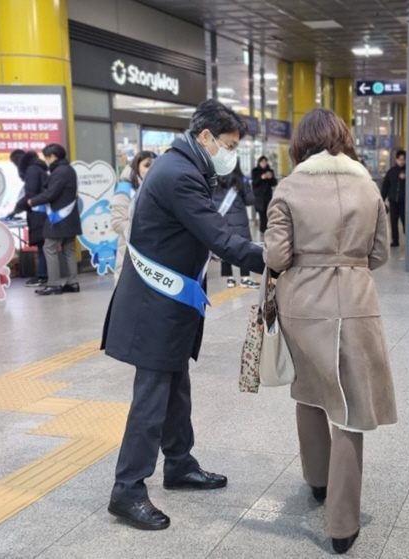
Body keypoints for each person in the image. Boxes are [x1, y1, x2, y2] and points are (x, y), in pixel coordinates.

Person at [101, 99, 264, 531]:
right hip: (154, 307)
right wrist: (274, 257)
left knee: (175, 388)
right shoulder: (179, 175)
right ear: (206, 136)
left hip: (168, 304)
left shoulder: (186, 166)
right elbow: (218, 237)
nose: (230, 154)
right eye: (228, 144)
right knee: (151, 399)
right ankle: (127, 489)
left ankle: (179, 464)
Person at [264, 108, 396, 554]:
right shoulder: (366, 185)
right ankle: (342, 527)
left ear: (300, 142)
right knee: (349, 410)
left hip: (302, 304)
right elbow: (379, 254)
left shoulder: (288, 187)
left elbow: (276, 256)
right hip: (356, 302)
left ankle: (316, 482)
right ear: (342, 138)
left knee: (309, 391)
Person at [27, 144, 82, 295]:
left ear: (52, 156)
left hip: (58, 219)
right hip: (70, 218)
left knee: (49, 248)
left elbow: (51, 193)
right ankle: (72, 283)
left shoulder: (59, 172)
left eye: (47, 157)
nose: (46, 161)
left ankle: (54, 284)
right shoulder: (69, 170)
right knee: (69, 249)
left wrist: (33, 201)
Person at [110, 150, 156, 284]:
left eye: (154, 166)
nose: (150, 170)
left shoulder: (154, 187)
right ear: (136, 167)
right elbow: (117, 222)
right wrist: (145, 230)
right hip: (130, 254)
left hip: (152, 254)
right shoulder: (125, 189)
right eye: (147, 165)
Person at [213, 159, 260, 288]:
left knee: (226, 247)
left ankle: (230, 279)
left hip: (222, 219)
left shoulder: (215, 179)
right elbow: (250, 200)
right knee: (243, 248)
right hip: (238, 220)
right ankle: (245, 278)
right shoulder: (241, 179)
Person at [9, 151, 49, 288]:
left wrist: (16, 209)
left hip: (38, 212)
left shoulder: (32, 170)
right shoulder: (39, 168)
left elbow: (30, 195)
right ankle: (44, 275)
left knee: (42, 245)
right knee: (44, 245)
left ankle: (43, 276)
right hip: (44, 211)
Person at [381, 149, 406, 247]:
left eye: (403, 159)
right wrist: (382, 199)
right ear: (396, 159)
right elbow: (385, 186)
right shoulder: (391, 172)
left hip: (404, 202)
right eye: (400, 159)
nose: (401, 161)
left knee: (405, 221)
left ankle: (408, 239)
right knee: (393, 221)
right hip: (393, 202)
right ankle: (395, 240)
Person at [251, 155, 277, 232]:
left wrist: (271, 178)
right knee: (261, 213)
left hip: (267, 196)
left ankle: (268, 229)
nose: (264, 164)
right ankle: (262, 229)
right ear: (259, 162)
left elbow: (274, 183)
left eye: (265, 162)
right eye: (262, 162)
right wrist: (261, 178)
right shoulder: (255, 171)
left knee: (268, 213)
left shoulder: (270, 171)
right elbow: (254, 183)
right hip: (259, 196)